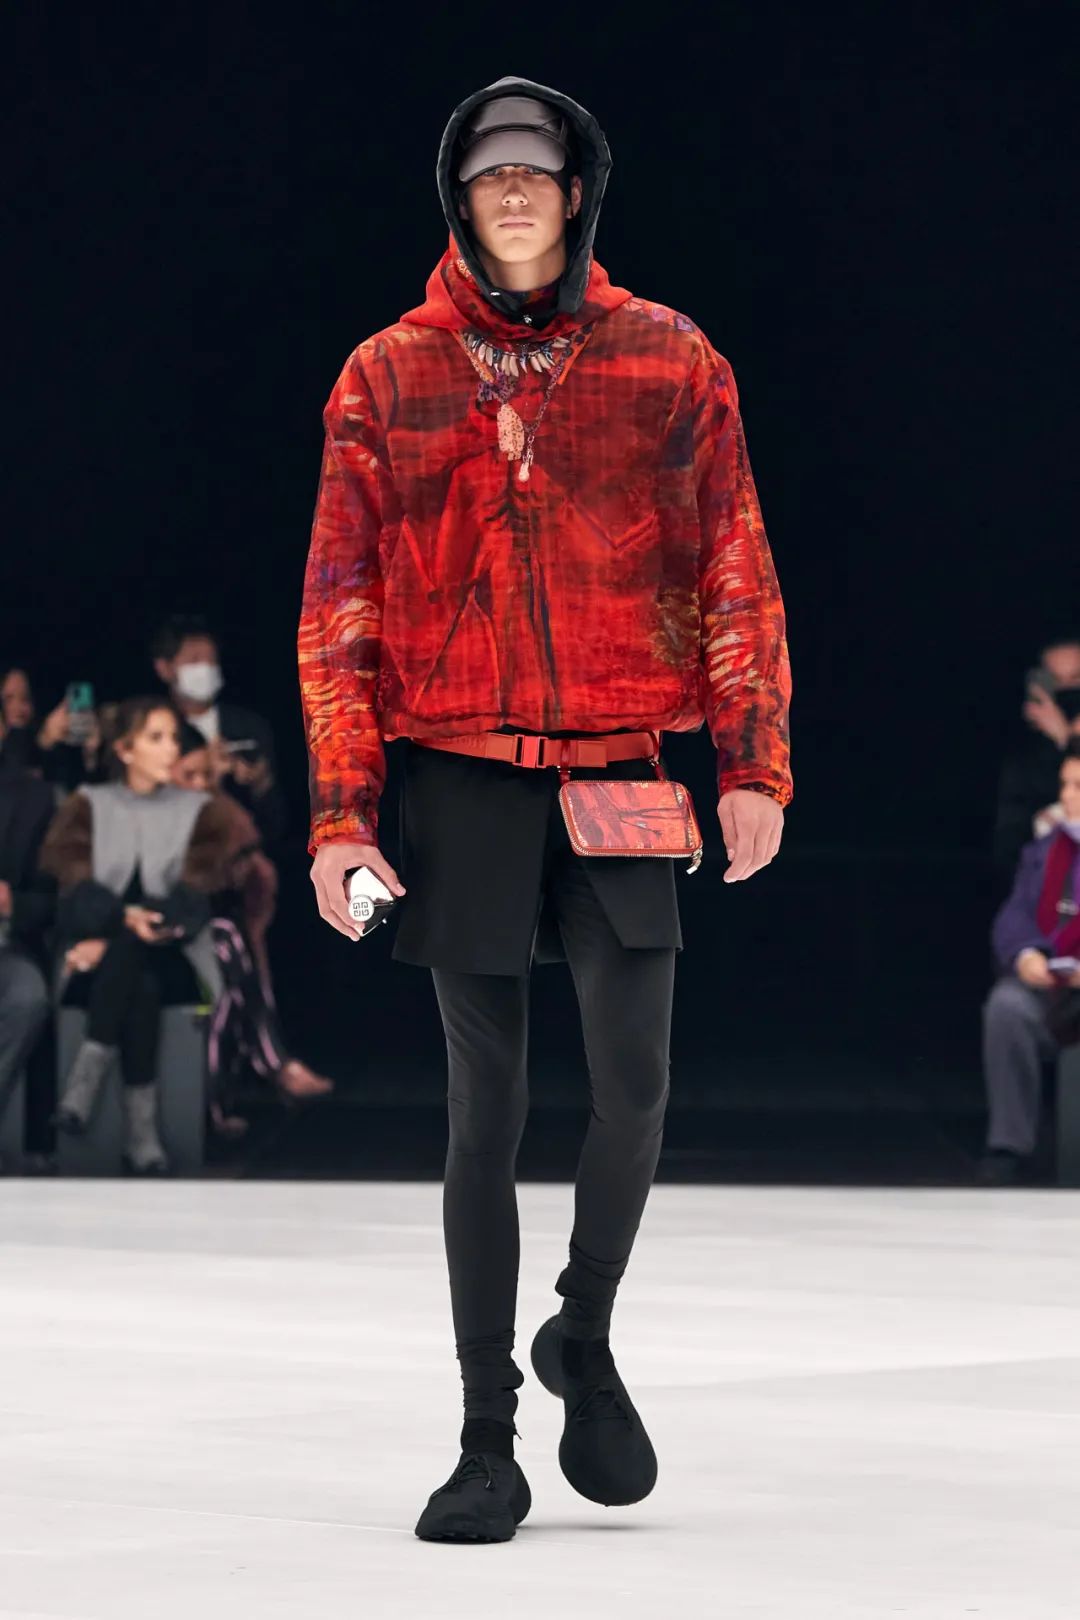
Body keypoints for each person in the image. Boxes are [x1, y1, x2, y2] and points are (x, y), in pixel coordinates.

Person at [299, 78, 792, 1543]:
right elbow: (340, 609)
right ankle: (485, 1434)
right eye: (489, 170)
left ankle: (581, 1330)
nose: (514, 189)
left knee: (636, 1087)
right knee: (486, 1111)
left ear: (578, 190)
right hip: (459, 767)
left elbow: (735, 567)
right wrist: (341, 816)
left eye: (538, 168)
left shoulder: (669, 358)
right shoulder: (388, 374)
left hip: (622, 763)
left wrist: (753, 762)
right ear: (460, 194)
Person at [39, 696, 258, 1173]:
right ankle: (141, 1136)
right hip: (109, 959)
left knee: (135, 960)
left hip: (173, 954)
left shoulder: (201, 811)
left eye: (173, 738)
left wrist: (122, 931)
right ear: (124, 750)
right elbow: (74, 897)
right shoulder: (87, 806)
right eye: (156, 738)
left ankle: (86, 1080)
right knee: (139, 983)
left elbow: (194, 901)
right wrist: (123, 922)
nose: (171, 749)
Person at [171, 723, 334, 1133]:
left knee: (226, 980)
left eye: (205, 776)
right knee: (227, 942)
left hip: (203, 928)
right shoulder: (148, 812)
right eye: (188, 775)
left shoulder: (218, 811)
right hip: (163, 928)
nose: (197, 785)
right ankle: (273, 1065)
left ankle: (213, 1107)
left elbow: (248, 861)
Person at [980, 740, 1080, 1186]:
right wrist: (1027, 954)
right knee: (1007, 1007)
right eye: (1065, 785)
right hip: (1054, 987)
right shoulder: (1046, 849)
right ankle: (1010, 1146)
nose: (1067, 797)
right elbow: (1015, 913)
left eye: (1078, 786)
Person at [151, 616, 288, 845]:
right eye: (195, 660)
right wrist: (203, 770)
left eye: (212, 660)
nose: (206, 668)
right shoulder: (152, 731)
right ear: (164, 668)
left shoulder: (249, 726)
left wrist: (261, 784)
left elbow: (276, 826)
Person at [0, 755, 56, 1170]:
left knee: (28, 994)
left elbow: (53, 897)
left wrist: (11, 905)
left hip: (7, 945)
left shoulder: (34, 797)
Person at [994, 637, 1080, 880]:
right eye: (1055, 681)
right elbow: (1009, 849)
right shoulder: (1023, 758)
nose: (1066, 691)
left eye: (1076, 679)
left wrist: (1068, 740)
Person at [0, 667, 103, 789]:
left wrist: (91, 754)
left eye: (25, 698)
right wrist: (45, 739)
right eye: (8, 698)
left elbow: (79, 793)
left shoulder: (54, 748)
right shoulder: (32, 747)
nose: (18, 707)